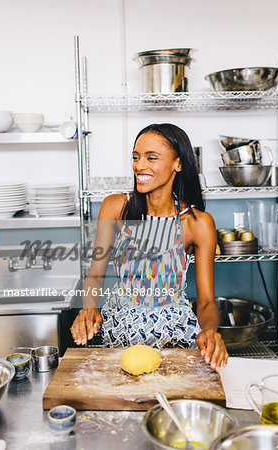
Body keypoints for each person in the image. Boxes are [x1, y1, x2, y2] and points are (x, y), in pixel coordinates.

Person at [71, 123, 228, 372]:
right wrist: (89, 308)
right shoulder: (115, 208)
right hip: (120, 330)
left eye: (151, 158)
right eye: (136, 157)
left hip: (175, 335)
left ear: (178, 164)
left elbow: (207, 301)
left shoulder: (198, 224)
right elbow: (95, 275)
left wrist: (209, 331)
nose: (139, 166)